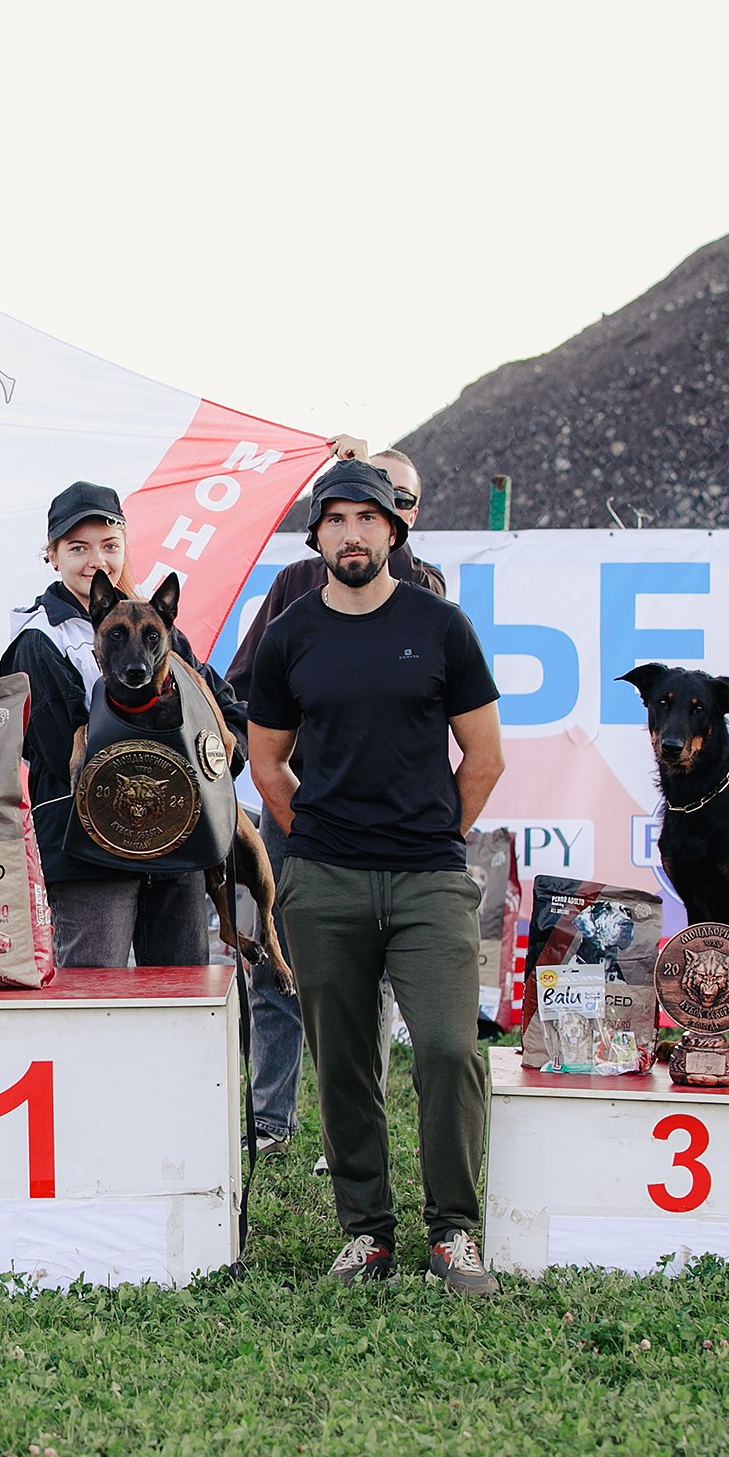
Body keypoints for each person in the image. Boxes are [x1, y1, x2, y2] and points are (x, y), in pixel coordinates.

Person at [246, 459, 505, 1295]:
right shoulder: (289, 634)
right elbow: (267, 761)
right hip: (325, 881)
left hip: (428, 878)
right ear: (316, 533)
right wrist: (314, 842)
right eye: (336, 519)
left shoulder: (441, 626)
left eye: (369, 518)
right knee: (346, 1061)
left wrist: (437, 835)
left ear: (395, 530)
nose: (352, 534)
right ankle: (367, 1233)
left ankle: (453, 1232)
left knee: (445, 1045)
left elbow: (486, 757)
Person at [225, 446, 443, 1152]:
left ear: (404, 519)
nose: (382, 518)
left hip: (388, 820)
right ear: (323, 524)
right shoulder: (293, 582)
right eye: (361, 506)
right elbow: (243, 687)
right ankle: (269, 1119)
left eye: (399, 504)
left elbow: (448, 717)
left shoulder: (428, 590)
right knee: (278, 960)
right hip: (297, 810)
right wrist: (277, 790)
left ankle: (355, 1130)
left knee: (372, 976)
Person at [2, 481, 244, 967]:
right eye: (78, 548)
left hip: (177, 845)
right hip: (87, 853)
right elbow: (58, 751)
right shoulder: (38, 637)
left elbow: (223, 711)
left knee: (181, 997)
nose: (97, 560)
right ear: (51, 554)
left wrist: (218, 763)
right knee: (94, 1003)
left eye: (110, 546)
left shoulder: (151, 624)